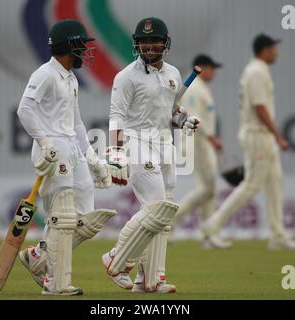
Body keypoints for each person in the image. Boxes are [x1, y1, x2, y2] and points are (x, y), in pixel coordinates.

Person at [16, 19, 116, 296]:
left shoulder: (70, 77)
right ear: (69, 46)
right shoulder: (44, 74)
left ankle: (40, 255)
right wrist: (44, 140)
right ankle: (55, 282)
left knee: (86, 216)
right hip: (52, 150)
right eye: (81, 45)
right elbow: (25, 110)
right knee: (62, 216)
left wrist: (92, 159)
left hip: (72, 147)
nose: (85, 51)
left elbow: (77, 123)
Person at [102, 17, 200, 293]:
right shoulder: (125, 77)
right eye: (144, 42)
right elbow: (116, 116)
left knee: (163, 214)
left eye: (154, 41)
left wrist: (184, 120)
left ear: (165, 43)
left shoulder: (173, 75)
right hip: (136, 142)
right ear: (136, 45)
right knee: (157, 208)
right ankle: (116, 258)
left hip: (164, 144)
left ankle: (149, 280)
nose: (149, 46)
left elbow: (170, 112)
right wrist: (116, 152)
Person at [202, 34, 295, 250]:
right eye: (274, 48)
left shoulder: (259, 70)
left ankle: (277, 235)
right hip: (258, 134)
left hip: (262, 136)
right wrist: (278, 135)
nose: (276, 52)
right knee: (251, 185)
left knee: (275, 182)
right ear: (264, 50)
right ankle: (213, 225)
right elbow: (260, 107)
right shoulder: (256, 72)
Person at [171, 54, 224, 247]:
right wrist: (213, 139)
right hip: (197, 143)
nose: (215, 72)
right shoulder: (194, 88)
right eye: (212, 68)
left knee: (209, 191)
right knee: (208, 189)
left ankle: (208, 233)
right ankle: (170, 223)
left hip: (204, 143)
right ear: (202, 67)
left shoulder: (203, 89)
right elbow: (194, 119)